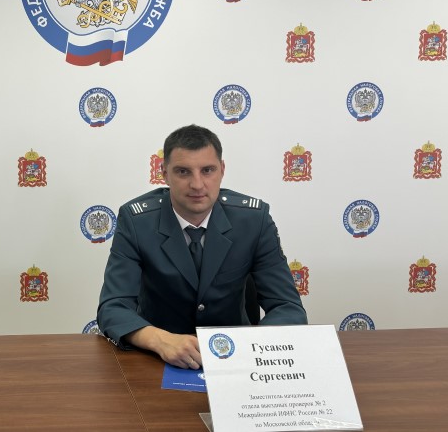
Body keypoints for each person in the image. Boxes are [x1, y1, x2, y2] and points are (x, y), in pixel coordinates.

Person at [97, 124, 306, 369]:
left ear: (222, 170)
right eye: (183, 172)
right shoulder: (136, 222)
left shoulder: (254, 221)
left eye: (207, 170)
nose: (197, 184)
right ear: (164, 173)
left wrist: (250, 348)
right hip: (158, 359)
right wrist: (160, 340)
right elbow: (113, 307)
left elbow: (287, 307)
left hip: (237, 361)